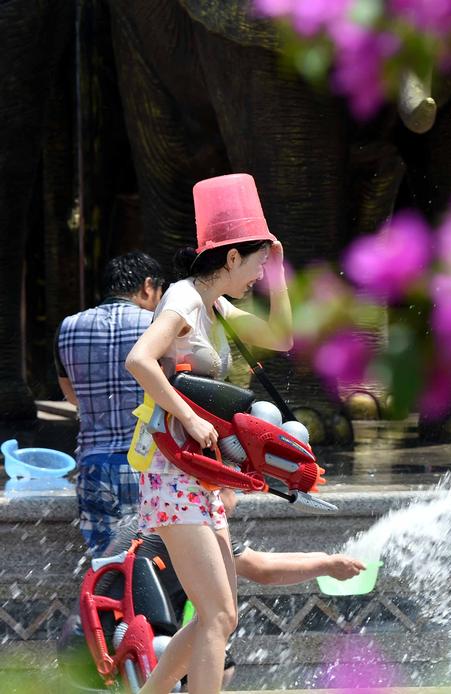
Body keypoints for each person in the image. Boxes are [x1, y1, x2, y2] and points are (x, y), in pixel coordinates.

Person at [124, 173, 307, 694]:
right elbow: (140, 359)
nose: (256, 276)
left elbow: (281, 336)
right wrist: (190, 415)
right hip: (172, 471)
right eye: (254, 265)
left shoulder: (216, 306)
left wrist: (280, 276)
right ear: (230, 259)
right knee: (218, 613)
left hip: (198, 475)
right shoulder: (183, 298)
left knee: (218, 617)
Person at [59, 488, 364, 690]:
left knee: (218, 655)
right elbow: (262, 570)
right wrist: (326, 566)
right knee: (214, 650)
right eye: (233, 489)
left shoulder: (165, 512)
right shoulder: (188, 518)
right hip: (109, 650)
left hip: (85, 647)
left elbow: (256, 560)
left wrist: (327, 561)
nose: (237, 501)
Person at [56, 251, 167, 556]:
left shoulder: (67, 328)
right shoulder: (159, 325)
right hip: (151, 463)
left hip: (95, 465)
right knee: (159, 563)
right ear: (148, 286)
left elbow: (72, 395)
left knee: (108, 565)